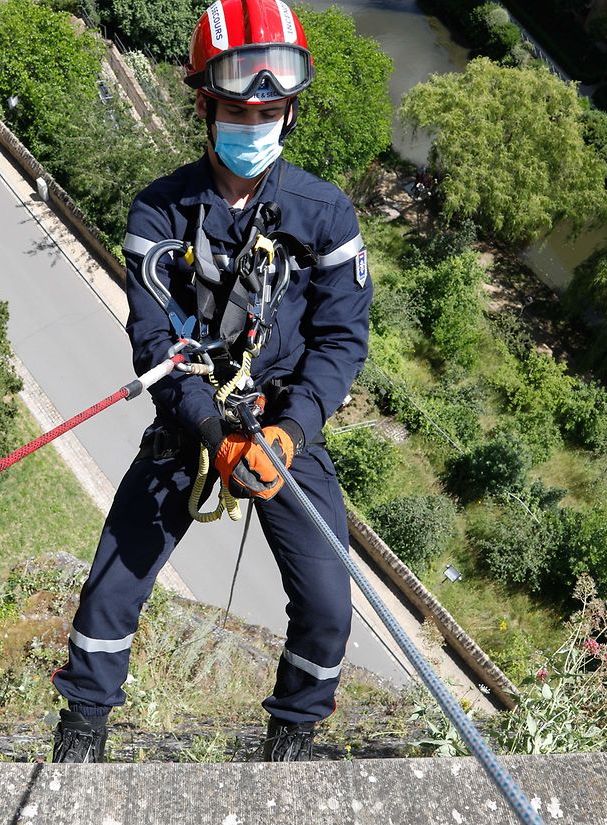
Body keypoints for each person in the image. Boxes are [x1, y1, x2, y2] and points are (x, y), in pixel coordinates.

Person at [51, 0, 372, 763]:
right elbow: (155, 340)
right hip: (190, 418)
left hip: (281, 424)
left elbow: (340, 339)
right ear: (205, 104)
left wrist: (292, 433)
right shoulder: (159, 211)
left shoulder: (323, 216)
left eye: (270, 110)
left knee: (328, 602)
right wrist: (207, 431)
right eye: (236, 107)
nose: (253, 123)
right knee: (111, 586)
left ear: (290, 114)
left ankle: (293, 734)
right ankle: (83, 729)